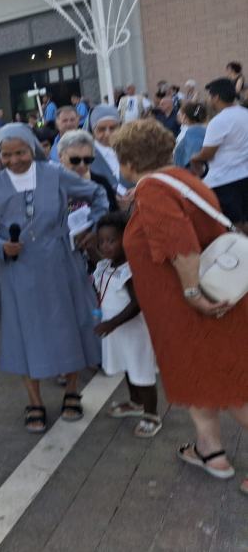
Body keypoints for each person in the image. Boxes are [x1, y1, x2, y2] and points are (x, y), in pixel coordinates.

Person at [110, 119, 248, 494]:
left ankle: (212, 450)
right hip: (194, 305)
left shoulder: (153, 190)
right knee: (199, 375)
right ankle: (210, 450)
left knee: (231, 383)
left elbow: (182, 246)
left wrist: (193, 295)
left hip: (194, 305)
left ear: (126, 162)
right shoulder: (183, 180)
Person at [0, 124, 107, 433]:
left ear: (33, 148)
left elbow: (98, 193)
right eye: (6, 155)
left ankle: (72, 391)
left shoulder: (54, 174)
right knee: (26, 334)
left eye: (20, 152)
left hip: (61, 262)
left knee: (69, 326)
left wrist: (91, 227)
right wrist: (1, 246)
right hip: (18, 269)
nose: (15, 159)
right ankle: (34, 401)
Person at [92, 212, 160, 438]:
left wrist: (112, 322)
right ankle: (135, 402)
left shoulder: (130, 270)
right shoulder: (104, 266)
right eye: (101, 241)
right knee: (128, 369)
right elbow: (101, 289)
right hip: (116, 331)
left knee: (141, 372)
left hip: (134, 332)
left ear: (126, 239)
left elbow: (137, 304)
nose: (106, 246)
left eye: (112, 240)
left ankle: (151, 415)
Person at [190, 78, 248, 232]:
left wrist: (194, 158)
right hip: (244, 174)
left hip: (224, 180)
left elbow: (208, 153)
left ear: (216, 97)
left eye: (209, 96)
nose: (209, 100)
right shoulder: (245, 113)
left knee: (234, 225)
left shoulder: (219, 121)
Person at [58, 130, 119, 212]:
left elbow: (113, 216)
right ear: (60, 157)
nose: (81, 165)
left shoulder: (101, 183)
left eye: (87, 160)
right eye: (75, 160)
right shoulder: (51, 183)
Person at [173, 101, 207, 172]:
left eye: (180, 114)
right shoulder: (204, 130)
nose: (178, 116)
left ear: (185, 117)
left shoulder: (191, 135)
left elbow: (190, 160)